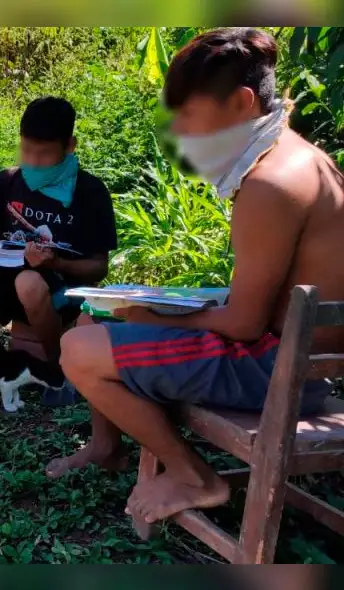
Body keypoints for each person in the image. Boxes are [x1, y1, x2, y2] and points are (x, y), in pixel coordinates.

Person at [48, 28, 344, 525]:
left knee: (78, 350)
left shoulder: (270, 184)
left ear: (242, 103)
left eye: (189, 113)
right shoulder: (297, 158)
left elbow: (246, 324)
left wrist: (151, 315)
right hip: (291, 354)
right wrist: (155, 308)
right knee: (90, 319)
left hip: (281, 370)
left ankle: (194, 477)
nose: (181, 130)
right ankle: (105, 447)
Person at [0, 97, 117, 364]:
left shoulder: (91, 192)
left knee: (28, 283)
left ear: (70, 146)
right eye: (26, 150)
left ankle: (57, 364)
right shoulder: (4, 183)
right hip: (8, 280)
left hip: (62, 288)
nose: (33, 161)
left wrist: (56, 263)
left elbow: (99, 268)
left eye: (44, 153)